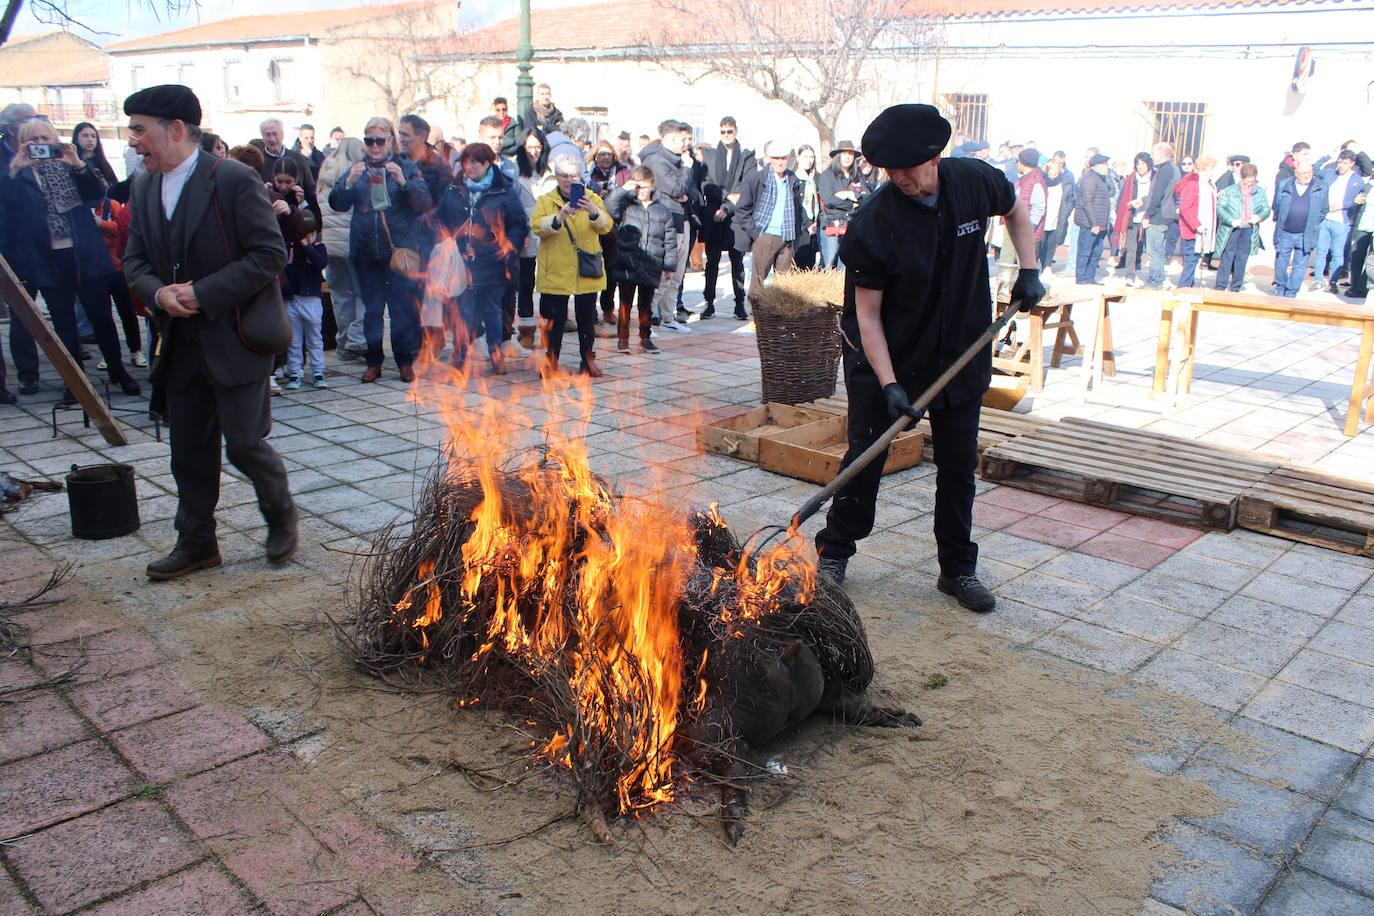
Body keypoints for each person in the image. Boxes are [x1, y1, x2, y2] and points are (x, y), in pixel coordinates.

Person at [812, 104, 1044, 615]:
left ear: (935, 158)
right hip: (886, 360)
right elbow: (867, 317)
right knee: (865, 460)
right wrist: (892, 385)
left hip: (960, 350)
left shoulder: (974, 181)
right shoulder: (873, 223)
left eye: (908, 168)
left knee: (959, 464)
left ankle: (957, 568)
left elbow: (1016, 211)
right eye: (889, 171)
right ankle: (834, 552)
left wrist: (1029, 269)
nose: (899, 179)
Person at [120, 85, 295, 579]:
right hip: (180, 342)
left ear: (176, 129)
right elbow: (133, 259)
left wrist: (202, 293)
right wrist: (158, 294)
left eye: (139, 130)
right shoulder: (142, 186)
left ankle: (280, 515)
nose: (133, 141)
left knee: (243, 443)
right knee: (188, 450)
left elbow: (269, 255)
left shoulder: (234, 179)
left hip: (236, 336)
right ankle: (196, 543)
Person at [1, 115, 140, 404]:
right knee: (63, 323)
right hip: (46, 257)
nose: (41, 145)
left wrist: (77, 163)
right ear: (24, 143)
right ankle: (74, 381)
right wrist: (15, 168)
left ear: (55, 140)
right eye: (34, 140)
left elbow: (97, 196)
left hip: (83, 253)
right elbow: (9, 208)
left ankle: (117, 369)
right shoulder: (18, 173)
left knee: (101, 316)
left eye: (45, 139)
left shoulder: (71, 167)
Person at [327, 116, 431, 382]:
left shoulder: (405, 168)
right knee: (371, 310)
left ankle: (404, 361)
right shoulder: (356, 169)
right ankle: (374, 361)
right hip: (364, 251)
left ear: (390, 141)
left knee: (401, 311)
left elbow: (423, 203)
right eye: (369, 140)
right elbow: (336, 203)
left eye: (379, 140)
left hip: (397, 252)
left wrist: (404, 182)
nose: (374, 146)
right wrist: (349, 182)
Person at [435, 142, 529, 374]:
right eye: (466, 162)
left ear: (488, 164)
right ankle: (460, 356)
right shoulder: (454, 189)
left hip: (493, 261)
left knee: (491, 309)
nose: (469, 167)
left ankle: (496, 355)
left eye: (475, 162)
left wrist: (509, 248)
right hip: (461, 261)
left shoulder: (503, 190)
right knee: (463, 310)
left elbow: (518, 224)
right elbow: (440, 219)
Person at [532, 154, 612, 376]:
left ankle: (587, 360)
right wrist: (558, 218)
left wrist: (593, 212)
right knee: (553, 321)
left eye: (573, 175)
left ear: (581, 176)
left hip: (585, 268)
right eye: (563, 175)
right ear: (556, 177)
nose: (568, 180)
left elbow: (607, 227)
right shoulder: (546, 201)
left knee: (586, 319)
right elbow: (537, 226)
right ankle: (550, 361)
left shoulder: (592, 199)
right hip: (555, 269)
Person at [605, 166, 676, 354]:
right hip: (627, 260)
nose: (641, 191)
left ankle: (645, 337)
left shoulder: (663, 211)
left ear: (652, 185)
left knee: (646, 305)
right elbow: (609, 206)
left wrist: (669, 265)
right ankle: (623, 339)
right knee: (625, 304)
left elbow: (669, 240)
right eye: (637, 187)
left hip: (651, 262)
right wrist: (623, 190)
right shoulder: (626, 206)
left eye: (644, 187)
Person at [732, 140, 807, 299]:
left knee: (784, 286)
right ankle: (756, 319)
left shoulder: (792, 179)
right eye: (776, 158)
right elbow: (742, 208)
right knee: (758, 283)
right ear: (768, 158)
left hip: (787, 237)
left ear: (789, 158)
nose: (780, 162)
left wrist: (796, 236)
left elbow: (798, 210)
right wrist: (756, 232)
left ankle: (778, 320)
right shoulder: (756, 177)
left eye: (783, 158)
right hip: (765, 235)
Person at [641, 120, 697, 331]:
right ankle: (646, 323)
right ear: (670, 139)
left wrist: (686, 193)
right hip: (667, 222)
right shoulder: (657, 162)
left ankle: (668, 317)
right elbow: (676, 189)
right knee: (663, 275)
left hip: (683, 220)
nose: (687, 144)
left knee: (677, 275)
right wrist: (687, 172)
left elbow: (690, 193)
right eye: (683, 139)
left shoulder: (681, 162)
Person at [317, 137, 367, 359]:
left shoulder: (324, 173)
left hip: (330, 245)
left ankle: (343, 342)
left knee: (339, 294)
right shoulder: (356, 173)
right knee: (362, 292)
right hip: (353, 243)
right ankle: (357, 339)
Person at [701, 116, 756, 318]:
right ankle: (709, 303)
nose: (726, 135)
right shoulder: (710, 155)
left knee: (737, 261)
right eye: (723, 131)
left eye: (729, 131)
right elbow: (706, 184)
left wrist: (728, 207)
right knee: (712, 261)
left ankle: (739, 303)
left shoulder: (747, 156)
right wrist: (724, 198)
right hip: (714, 213)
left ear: (736, 131)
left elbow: (746, 185)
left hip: (736, 215)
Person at [513, 128, 555, 351]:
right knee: (526, 283)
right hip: (526, 232)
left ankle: (548, 328)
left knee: (548, 283)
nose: (533, 152)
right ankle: (526, 330)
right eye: (529, 147)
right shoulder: (514, 171)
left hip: (549, 232)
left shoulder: (552, 171)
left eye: (537, 147)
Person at [1313, 150, 1367, 291]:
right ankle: (1318, 280)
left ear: (1351, 164)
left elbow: (1359, 200)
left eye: (1345, 163)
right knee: (1321, 251)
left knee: (1338, 253)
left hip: (1342, 222)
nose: (1341, 166)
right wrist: (1328, 155)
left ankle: (1333, 282)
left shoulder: (1357, 180)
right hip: (1325, 219)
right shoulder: (1331, 173)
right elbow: (1315, 168)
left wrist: (1343, 205)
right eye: (1339, 162)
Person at [1212, 163, 1270, 293]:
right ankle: (1220, 285)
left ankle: (1236, 285)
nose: (1249, 184)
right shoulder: (1230, 191)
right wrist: (1231, 220)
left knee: (1242, 257)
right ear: (1241, 179)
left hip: (1249, 227)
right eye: (1246, 181)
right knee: (1228, 255)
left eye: (1252, 181)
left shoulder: (1259, 192)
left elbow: (1266, 209)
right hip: (1232, 228)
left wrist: (1259, 216)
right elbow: (1220, 207)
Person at [1272, 161, 1324, 298]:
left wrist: (1314, 224)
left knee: (1300, 265)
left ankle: (1291, 291)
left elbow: (1323, 210)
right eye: (1304, 173)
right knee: (1281, 261)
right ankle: (1280, 287)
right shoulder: (1284, 184)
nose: (1307, 176)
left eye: (1309, 173)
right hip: (1285, 231)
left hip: (1305, 233)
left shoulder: (1320, 186)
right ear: (1296, 173)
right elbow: (1277, 205)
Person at [816, 140, 867, 270]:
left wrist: (850, 195)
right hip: (831, 224)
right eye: (844, 153)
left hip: (851, 224)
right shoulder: (827, 176)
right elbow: (829, 200)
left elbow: (867, 197)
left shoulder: (858, 176)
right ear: (837, 156)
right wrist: (852, 204)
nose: (847, 157)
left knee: (846, 264)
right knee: (829, 263)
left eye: (850, 154)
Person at [1174, 155, 1217, 288]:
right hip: (1192, 230)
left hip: (1199, 228)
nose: (1213, 172)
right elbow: (1185, 207)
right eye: (1211, 169)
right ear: (1204, 169)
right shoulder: (1193, 183)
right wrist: (1196, 225)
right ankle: (1183, 288)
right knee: (1191, 261)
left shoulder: (1207, 184)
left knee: (1193, 261)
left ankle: (1188, 287)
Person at [1143, 142, 1180, 289]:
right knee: (1159, 250)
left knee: (1154, 251)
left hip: (1159, 215)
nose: (1152, 156)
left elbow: (1158, 195)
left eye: (1153, 153)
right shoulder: (1173, 168)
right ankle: (1158, 279)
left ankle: (1154, 282)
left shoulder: (1165, 170)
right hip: (1167, 214)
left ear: (1161, 154)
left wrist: (1147, 215)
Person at [1113, 153, 1152, 285]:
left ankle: (1153, 276)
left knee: (1150, 248)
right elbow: (1123, 196)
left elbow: (1155, 197)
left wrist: (1143, 202)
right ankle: (1130, 275)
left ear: (1148, 164)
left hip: (1147, 217)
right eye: (1138, 164)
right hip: (1131, 216)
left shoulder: (1154, 178)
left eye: (1142, 164)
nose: (1140, 167)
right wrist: (1120, 211)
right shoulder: (1131, 178)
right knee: (1131, 248)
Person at [1073, 154, 1112, 284]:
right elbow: (1087, 203)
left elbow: (1110, 192)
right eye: (1105, 164)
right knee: (1085, 252)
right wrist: (1094, 223)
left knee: (1096, 252)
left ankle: (1090, 277)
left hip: (1101, 224)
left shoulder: (1102, 179)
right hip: (1090, 224)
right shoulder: (1089, 179)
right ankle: (1081, 278)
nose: (1107, 167)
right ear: (1097, 165)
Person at [1039, 158, 1074, 274]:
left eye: (1056, 169)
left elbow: (1069, 199)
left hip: (1057, 217)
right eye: (1051, 169)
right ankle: (1041, 264)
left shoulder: (1063, 182)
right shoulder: (1042, 181)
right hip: (1044, 216)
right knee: (1041, 243)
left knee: (1052, 243)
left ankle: (1047, 266)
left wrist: (1066, 212)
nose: (1054, 171)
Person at [793, 145, 821, 269]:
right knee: (798, 263)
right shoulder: (793, 178)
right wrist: (807, 223)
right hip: (799, 227)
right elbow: (796, 204)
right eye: (805, 157)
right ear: (798, 158)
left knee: (812, 263)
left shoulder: (818, 178)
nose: (809, 160)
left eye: (811, 157)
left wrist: (816, 222)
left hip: (816, 225)